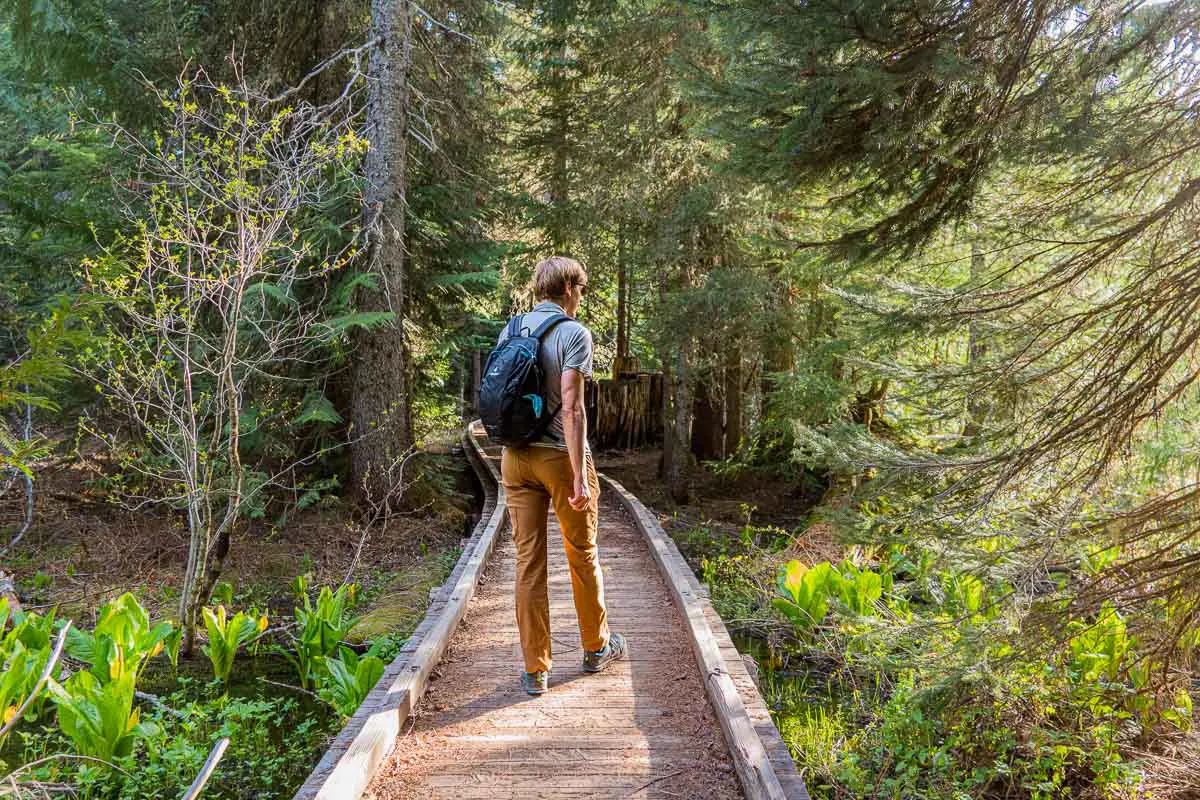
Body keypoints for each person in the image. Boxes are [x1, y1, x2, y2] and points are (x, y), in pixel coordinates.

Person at [496, 255, 628, 696]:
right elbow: (572, 407)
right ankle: (595, 647)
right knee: (582, 552)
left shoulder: (512, 329)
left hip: (514, 458)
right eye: (582, 290)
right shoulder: (574, 333)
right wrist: (577, 476)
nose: (581, 297)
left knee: (527, 561)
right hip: (557, 456)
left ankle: (536, 670)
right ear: (569, 288)